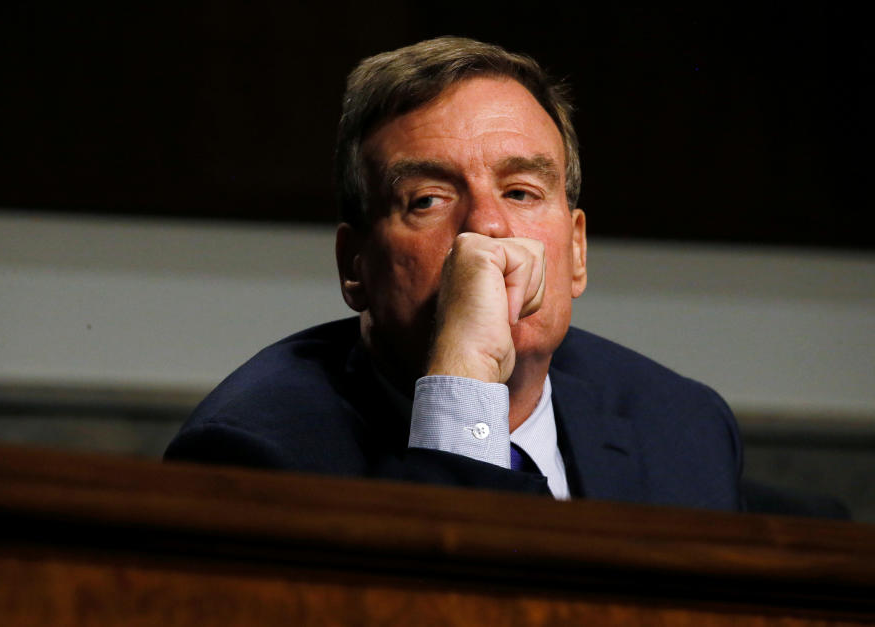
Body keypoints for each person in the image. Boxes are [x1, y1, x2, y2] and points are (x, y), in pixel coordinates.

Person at [165, 36, 742, 511]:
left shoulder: (683, 426)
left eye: (521, 192)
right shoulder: (255, 454)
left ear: (578, 251)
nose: (487, 229)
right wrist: (466, 383)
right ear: (355, 265)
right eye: (428, 201)